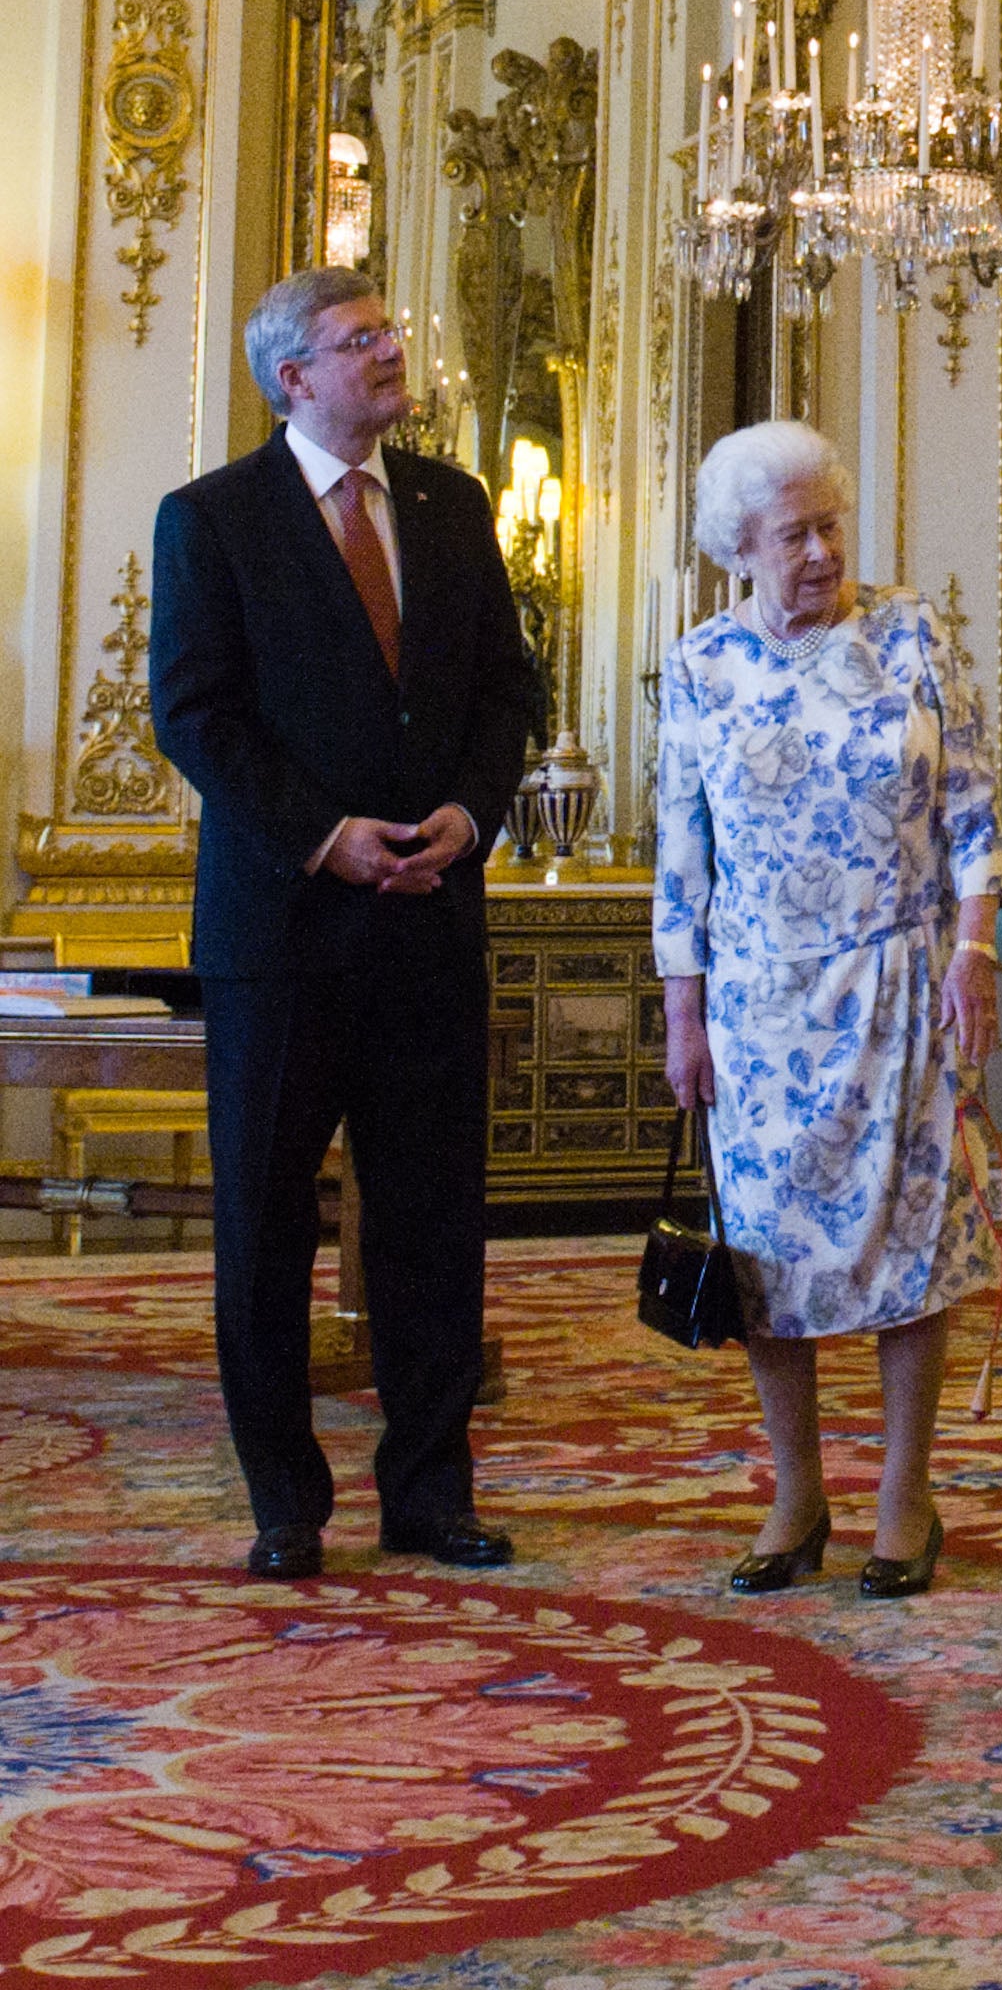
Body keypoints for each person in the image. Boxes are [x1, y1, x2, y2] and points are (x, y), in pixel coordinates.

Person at [149, 267, 545, 1581]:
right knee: (267, 1224)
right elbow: (196, 714)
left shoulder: (450, 505)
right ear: (290, 377)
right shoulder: (211, 521)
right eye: (356, 339)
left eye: (387, 332)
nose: (387, 351)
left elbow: (506, 690)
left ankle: (428, 1493)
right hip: (282, 932)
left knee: (435, 1221)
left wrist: (469, 814)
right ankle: (287, 1503)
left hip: (431, 919)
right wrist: (324, 835)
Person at [655, 422, 1001, 1601]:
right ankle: (795, 1491)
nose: (819, 550)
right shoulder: (702, 664)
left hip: (898, 981)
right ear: (739, 546)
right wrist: (682, 1014)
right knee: (765, 1259)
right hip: (759, 1006)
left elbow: (971, 803)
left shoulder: (909, 632)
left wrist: (975, 947)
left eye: (830, 524)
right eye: (792, 532)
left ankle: (906, 1496)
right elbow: (680, 859)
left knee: (908, 1249)